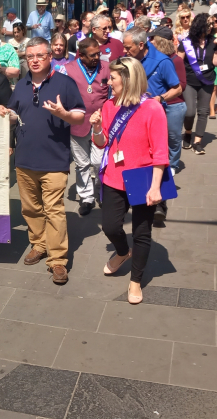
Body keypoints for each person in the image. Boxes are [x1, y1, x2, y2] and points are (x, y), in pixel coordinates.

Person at [0, 37, 86, 285]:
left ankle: (58, 260)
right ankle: (38, 243)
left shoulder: (65, 83)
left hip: (54, 160)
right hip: (25, 160)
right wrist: (6, 113)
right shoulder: (22, 84)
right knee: (31, 209)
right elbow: (16, 115)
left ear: (49, 57)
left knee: (54, 209)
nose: (34, 61)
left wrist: (65, 114)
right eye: (30, 57)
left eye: (39, 56)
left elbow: (80, 117)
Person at [91, 56, 169, 304]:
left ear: (126, 79)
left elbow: (160, 152)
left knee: (141, 232)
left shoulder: (152, 108)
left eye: (112, 77)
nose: (108, 81)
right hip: (113, 176)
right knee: (111, 226)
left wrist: (156, 187)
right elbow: (101, 143)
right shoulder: (109, 106)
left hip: (142, 177)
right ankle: (123, 253)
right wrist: (95, 128)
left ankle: (135, 281)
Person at [123, 27, 182, 221]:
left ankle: (160, 204)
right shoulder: (127, 61)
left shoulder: (162, 62)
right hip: (130, 118)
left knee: (157, 158)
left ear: (141, 45)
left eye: (128, 47)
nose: (125, 51)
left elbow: (177, 88)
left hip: (154, 118)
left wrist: (160, 98)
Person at [58, 38, 110, 215]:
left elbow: (111, 93)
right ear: (81, 54)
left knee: (99, 161)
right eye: (92, 55)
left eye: (98, 53)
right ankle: (86, 197)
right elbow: (61, 94)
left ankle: (101, 190)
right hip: (77, 123)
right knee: (82, 163)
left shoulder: (106, 67)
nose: (97, 57)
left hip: (100, 123)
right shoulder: (67, 69)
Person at [177, 13, 217, 154]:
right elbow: (179, 63)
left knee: (203, 112)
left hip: (207, 80)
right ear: (200, 25)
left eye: (212, 24)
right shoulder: (186, 42)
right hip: (190, 81)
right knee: (190, 111)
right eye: (208, 24)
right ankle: (188, 132)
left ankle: (197, 142)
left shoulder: (213, 41)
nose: (211, 27)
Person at [151, 28, 188, 177]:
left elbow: (182, 85)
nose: (150, 41)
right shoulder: (152, 60)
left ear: (161, 41)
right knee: (156, 137)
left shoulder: (176, 60)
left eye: (153, 39)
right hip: (155, 105)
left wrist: (163, 97)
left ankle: (173, 163)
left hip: (174, 105)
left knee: (173, 136)